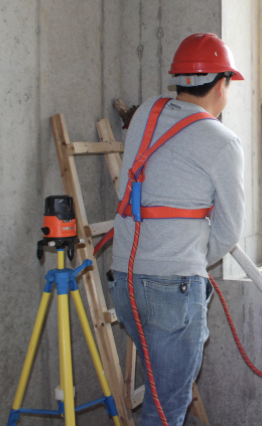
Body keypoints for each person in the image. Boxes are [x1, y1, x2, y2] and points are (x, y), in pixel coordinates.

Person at [108, 33, 245, 425]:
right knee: (165, 411)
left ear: (180, 80)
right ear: (222, 84)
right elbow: (230, 230)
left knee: (158, 393)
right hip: (174, 287)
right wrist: (190, 258)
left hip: (126, 281)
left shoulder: (147, 113)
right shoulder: (221, 140)